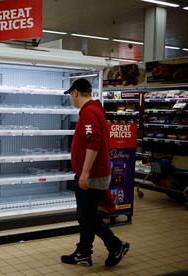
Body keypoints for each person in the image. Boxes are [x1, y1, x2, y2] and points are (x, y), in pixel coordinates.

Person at [61, 78, 129, 267]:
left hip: (93, 175)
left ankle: (115, 245)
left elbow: (93, 142)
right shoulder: (93, 110)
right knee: (87, 215)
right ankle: (83, 253)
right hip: (94, 173)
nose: (71, 99)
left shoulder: (89, 112)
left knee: (87, 217)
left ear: (75, 93)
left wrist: (85, 172)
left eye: (71, 95)